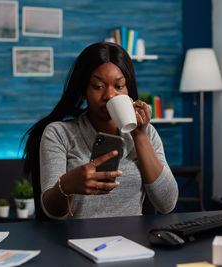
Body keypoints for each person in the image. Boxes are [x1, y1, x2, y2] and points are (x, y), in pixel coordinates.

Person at [22, 42, 178, 219]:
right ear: (84, 90)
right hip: (76, 242)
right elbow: (52, 213)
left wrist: (140, 136)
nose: (109, 95)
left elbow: (167, 204)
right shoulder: (59, 133)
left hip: (132, 241)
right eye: (98, 86)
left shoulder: (146, 133)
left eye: (119, 86)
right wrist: (66, 186)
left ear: (128, 90)